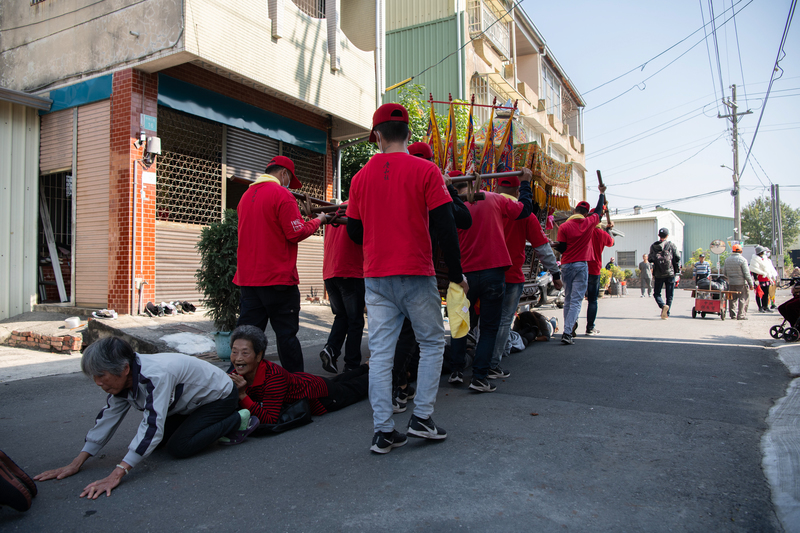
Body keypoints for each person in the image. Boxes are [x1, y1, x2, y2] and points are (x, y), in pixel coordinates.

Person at [346, 103, 467, 453]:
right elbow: (446, 226)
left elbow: (354, 232)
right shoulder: (426, 171)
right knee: (431, 344)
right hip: (415, 271)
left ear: (378, 136)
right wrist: (457, 277)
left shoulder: (359, 178)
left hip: (377, 277)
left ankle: (383, 430)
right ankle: (422, 418)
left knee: (381, 355)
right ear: (409, 135)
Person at [33, 337, 258, 499]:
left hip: (220, 396)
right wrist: (76, 463)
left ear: (123, 369)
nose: (98, 383)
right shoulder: (125, 379)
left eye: (101, 376)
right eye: (94, 377)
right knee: (156, 445)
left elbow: (152, 425)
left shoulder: (156, 375)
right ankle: (216, 421)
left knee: (179, 447)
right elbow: (108, 418)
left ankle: (237, 419)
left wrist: (117, 473)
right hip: (190, 404)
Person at [390, 150, 472, 414]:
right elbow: (462, 220)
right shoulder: (429, 179)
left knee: (394, 335)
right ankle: (410, 402)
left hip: (383, 270)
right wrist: (450, 190)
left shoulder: (390, 179)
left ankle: (399, 385)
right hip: (417, 267)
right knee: (425, 337)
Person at [234, 156, 327, 372]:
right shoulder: (282, 194)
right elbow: (296, 232)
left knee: (246, 340)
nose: (288, 184)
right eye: (289, 179)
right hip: (278, 281)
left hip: (249, 281)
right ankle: (297, 389)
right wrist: (318, 221)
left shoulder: (245, 197)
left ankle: (241, 388)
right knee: (286, 337)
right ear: (284, 174)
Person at [450, 169, 535, 392]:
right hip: (492, 272)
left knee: (460, 324)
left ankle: (456, 371)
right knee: (488, 327)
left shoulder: (454, 207)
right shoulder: (494, 199)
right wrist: (525, 184)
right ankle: (479, 377)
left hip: (464, 275)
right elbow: (524, 211)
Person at [490, 175, 561, 371]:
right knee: (504, 319)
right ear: (517, 192)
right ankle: (493, 362)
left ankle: (479, 358)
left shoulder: (486, 208)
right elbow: (543, 248)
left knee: (486, 318)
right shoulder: (524, 215)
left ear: (496, 188)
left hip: (484, 273)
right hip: (512, 274)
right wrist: (555, 273)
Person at [228, 326, 368, 425]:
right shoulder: (235, 374)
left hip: (318, 394)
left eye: (245, 353)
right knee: (340, 381)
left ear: (259, 356)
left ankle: (383, 371)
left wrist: (242, 395)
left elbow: (269, 419)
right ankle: (367, 366)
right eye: (234, 352)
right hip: (306, 380)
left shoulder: (273, 377)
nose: (238, 358)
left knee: (354, 387)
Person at [554, 190, 607, 345]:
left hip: (566, 265)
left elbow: (562, 248)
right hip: (581, 265)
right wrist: (601, 194)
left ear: (574, 211)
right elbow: (598, 212)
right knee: (576, 300)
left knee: (569, 299)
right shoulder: (589, 222)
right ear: (585, 214)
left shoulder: (564, 226)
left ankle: (568, 329)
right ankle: (567, 332)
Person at [320, 200, 365, 374]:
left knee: (342, 316)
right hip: (350, 270)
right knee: (355, 320)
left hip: (330, 273)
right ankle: (352, 364)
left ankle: (331, 349)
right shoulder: (359, 207)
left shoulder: (335, 210)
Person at [586, 222, 615, 336]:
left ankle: (571, 328)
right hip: (594, 269)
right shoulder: (601, 233)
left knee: (575, 300)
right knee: (592, 300)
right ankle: (590, 328)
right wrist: (608, 230)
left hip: (580, 268)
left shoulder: (583, 231)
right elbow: (612, 242)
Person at [648, 227, 680, 319]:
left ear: (659, 235)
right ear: (667, 235)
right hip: (670, 273)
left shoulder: (653, 246)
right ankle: (667, 313)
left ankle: (662, 306)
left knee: (657, 293)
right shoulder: (671, 245)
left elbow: (650, 259)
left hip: (658, 273)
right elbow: (677, 257)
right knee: (669, 294)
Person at [723, 244, 754, 320]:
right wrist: (751, 284)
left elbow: (724, 273)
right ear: (741, 251)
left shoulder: (727, 260)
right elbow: (747, 274)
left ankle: (732, 315)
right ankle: (741, 315)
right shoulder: (743, 260)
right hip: (741, 283)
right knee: (743, 298)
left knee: (732, 299)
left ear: (732, 251)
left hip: (731, 283)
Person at [750, 245, 773, 313]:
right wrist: (756, 279)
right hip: (759, 279)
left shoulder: (764, 259)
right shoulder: (754, 260)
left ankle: (765, 306)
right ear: (760, 252)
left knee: (766, 293)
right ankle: (760, 307)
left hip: (766, 278)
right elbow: (754, 270)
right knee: (759, 294)